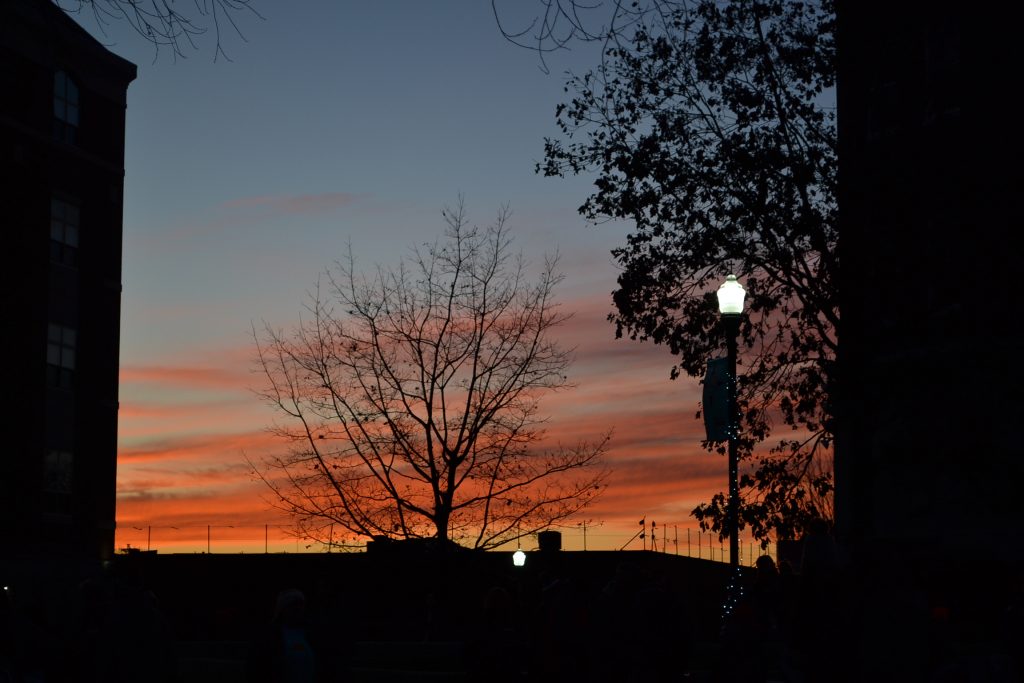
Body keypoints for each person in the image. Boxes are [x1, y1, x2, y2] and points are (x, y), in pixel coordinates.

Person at [246, 588, 320, 683]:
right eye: (293, 605)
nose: (298, 609)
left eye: (300, 605)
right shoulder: (268, 636)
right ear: (282, 609)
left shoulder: (312, 634)